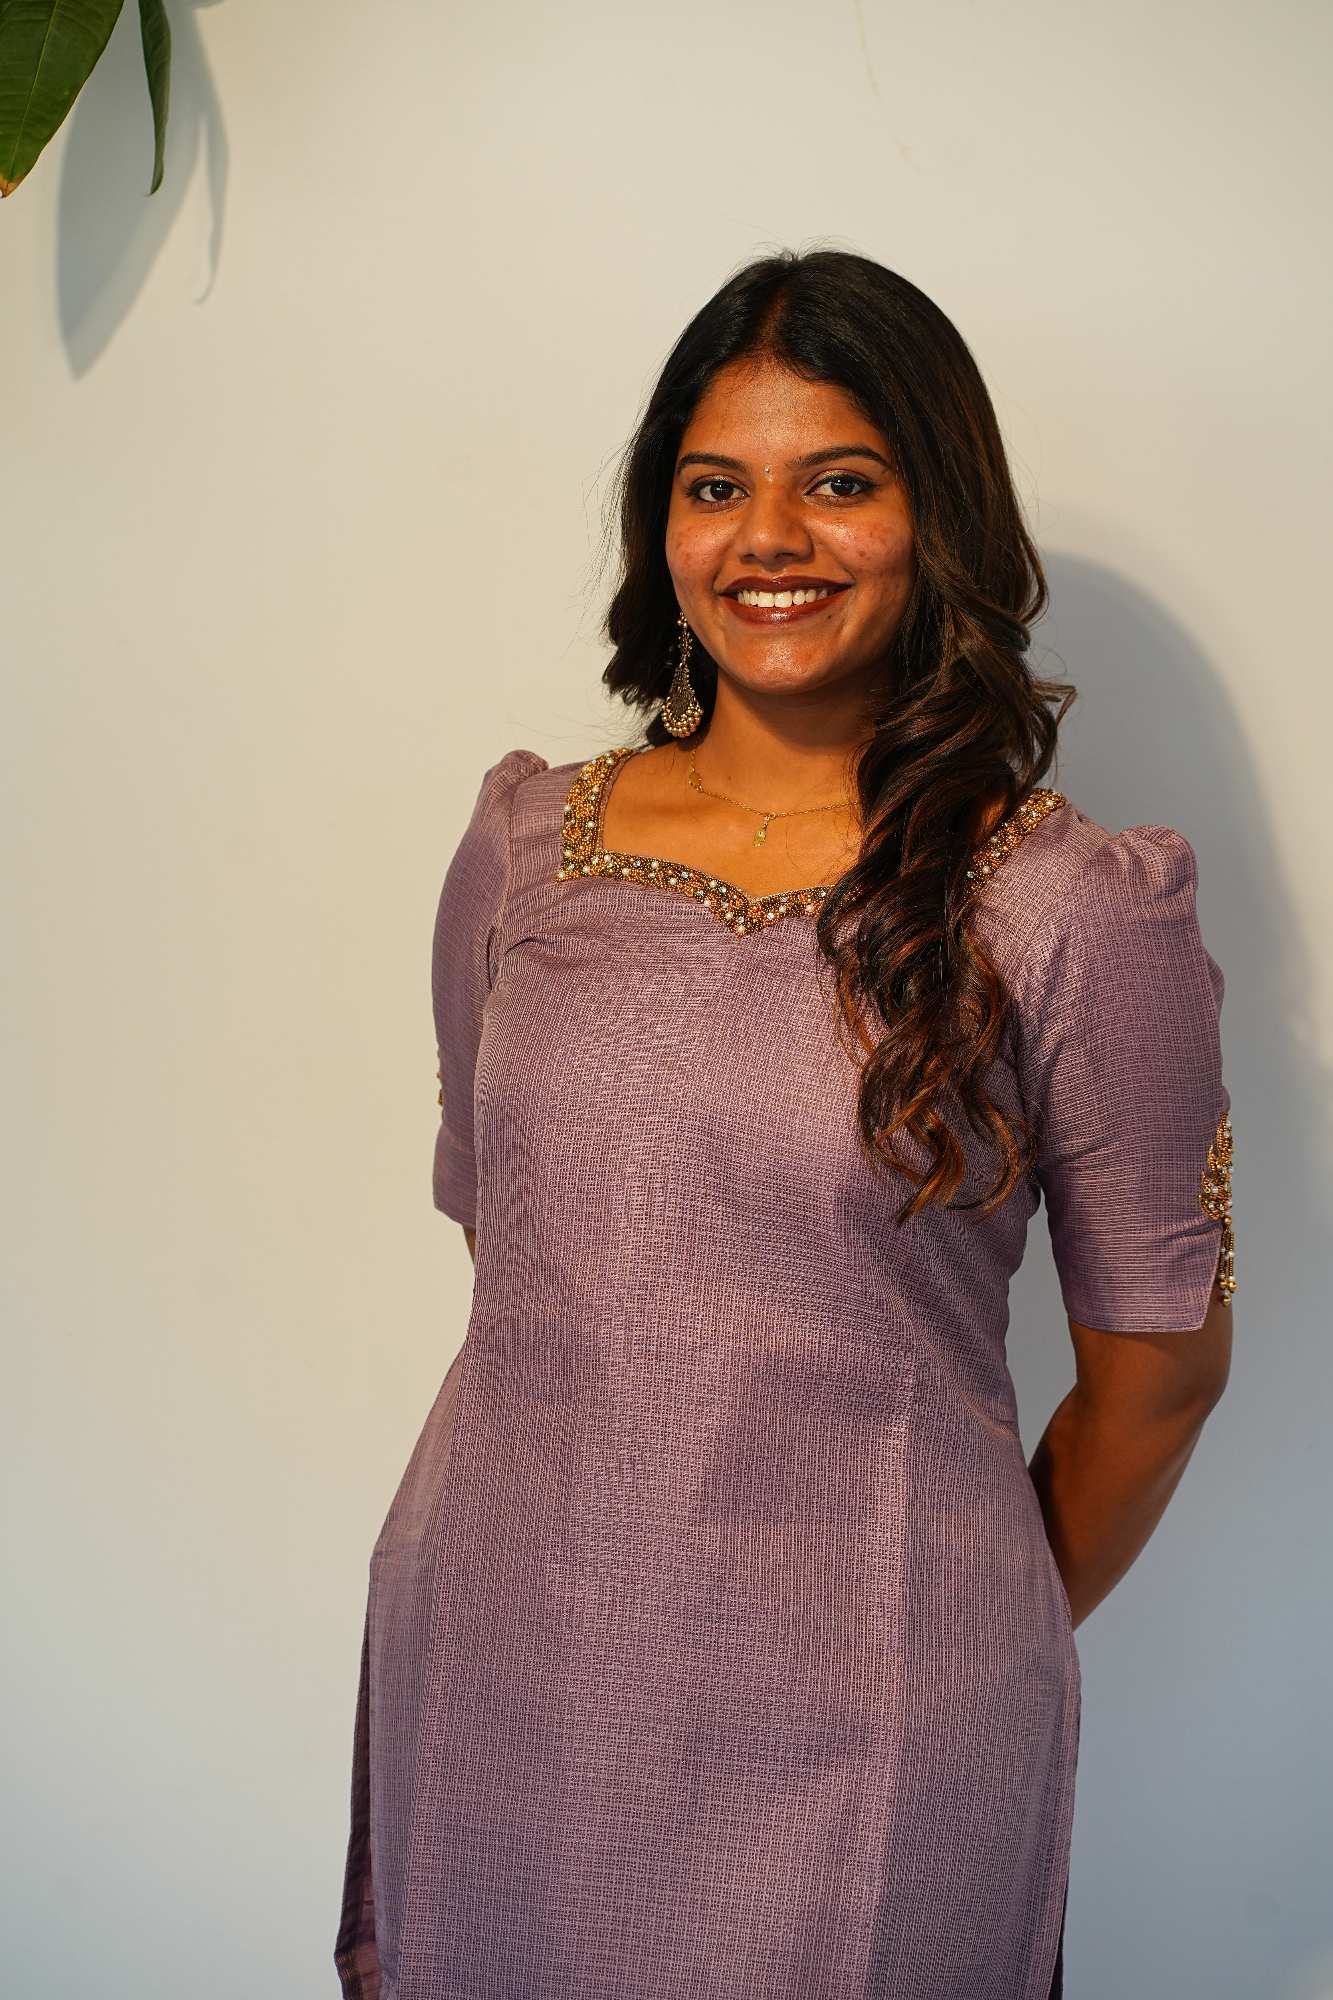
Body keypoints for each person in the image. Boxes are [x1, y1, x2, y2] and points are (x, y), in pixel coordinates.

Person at [334, 248, 1235, 2000]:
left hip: (877, 1734)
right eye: (712, 487)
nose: (768, 539)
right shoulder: (524, 847)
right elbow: (533, 1252)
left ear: (937, 515)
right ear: (659, 528)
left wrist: (934, 1623)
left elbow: (1160, 1371)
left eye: (837, 482)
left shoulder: (1066, 908)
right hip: (514, 1665)